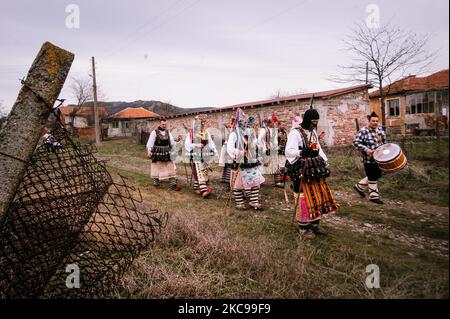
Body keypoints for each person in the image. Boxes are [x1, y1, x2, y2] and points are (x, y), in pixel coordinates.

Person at [285, 109, 338, 240]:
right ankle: (303, 228)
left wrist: (325, 162)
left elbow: (318, 148)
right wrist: (301, 152)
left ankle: (315, 224)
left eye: (316, 122)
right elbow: (289, 151)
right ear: (307, 120)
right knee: (302, 197)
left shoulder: (313, 132)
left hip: (315, 168)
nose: (315, 124)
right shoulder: (295, 133)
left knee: (317, 194)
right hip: (300, 169)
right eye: (313, 121)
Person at [227, 109, 265, 210]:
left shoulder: (249, 133)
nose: (244, 124)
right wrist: (239, 152)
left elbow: (256, 143)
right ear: (239, 122)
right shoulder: (234, 134)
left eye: (245, 122)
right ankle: (239, 203)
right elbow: (229, 148)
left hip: (250, 161)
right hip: (239, 161)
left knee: (255, 181)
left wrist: (257, 145)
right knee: (238, 184)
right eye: (242, 122)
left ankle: (254, 202)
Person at [353, 112, 386, 204]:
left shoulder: (380, 130)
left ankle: (359, 187)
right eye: (373, 121)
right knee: (372, 176)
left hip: (379, 158)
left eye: (376, 121)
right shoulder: (363, 131)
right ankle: (374, 196)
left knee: (377, 175)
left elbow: (384, 142)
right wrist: (366, 150)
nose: (375, 122)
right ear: (369, 121)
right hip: (368, 159)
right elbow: (356, 142)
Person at [185, 114, 218, 198]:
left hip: (205, 155)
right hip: (196, 154)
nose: (201, 125)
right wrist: (196, 145)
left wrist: (215, 151)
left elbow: (211, 143)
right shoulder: (191, 133)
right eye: (200, 123)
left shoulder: (206, 133)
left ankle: (197, 188)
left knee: (204, 170)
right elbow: (187, 144)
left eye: (203, 123)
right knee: (199, 170)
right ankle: (204, 190)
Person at [146, 119, 181, 191]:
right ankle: (156, 183)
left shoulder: (168, 132)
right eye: (163, 124)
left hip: (167, 152)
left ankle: (173, 184)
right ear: (159, 124)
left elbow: (171, 142)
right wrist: (149, 151)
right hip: (157, 152)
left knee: (170, 166)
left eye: (165, 124)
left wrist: (177, 142)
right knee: (156, 167)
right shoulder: (154, 132)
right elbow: (150, 143)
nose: (164, 126)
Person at [274, 120, 288, 188]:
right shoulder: (275, 132)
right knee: (277, 167)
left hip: (283, 151)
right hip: (277, 152)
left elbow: (286, 140)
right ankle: (277, 182)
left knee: (282, 166)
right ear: (279, 125)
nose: (284, 126)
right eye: (282, 125)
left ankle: (281, 180)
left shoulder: (285, 132)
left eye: (284, 125)